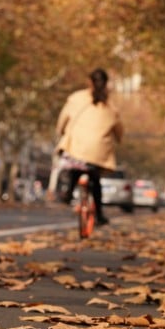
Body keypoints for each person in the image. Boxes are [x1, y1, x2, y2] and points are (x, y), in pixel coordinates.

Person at [54, 68, 123, 227]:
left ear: (89, 82)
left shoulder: (76, 98)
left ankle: (69, 192)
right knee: (95, 179)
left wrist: (61, 132)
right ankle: (99, 214)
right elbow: (119, 131)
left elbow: (62, 120)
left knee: (75, 165)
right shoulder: (111, 106)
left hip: (76, 148)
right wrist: (118, 138)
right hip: (98, 152)